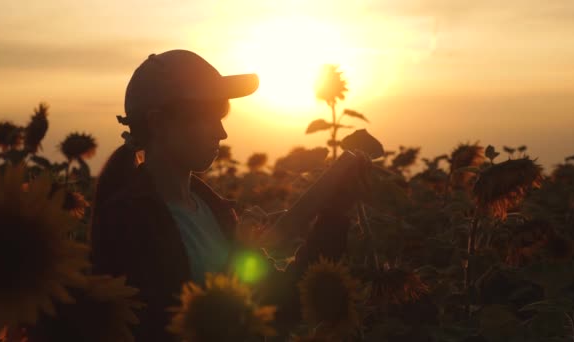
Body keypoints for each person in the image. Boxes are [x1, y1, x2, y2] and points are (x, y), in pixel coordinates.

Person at [90, 49, 368, 341]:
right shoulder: (129, 222)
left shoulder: (215, 212)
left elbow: (281, 303)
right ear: (159, 122)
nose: (221, 133)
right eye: (209, 118)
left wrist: (335, 214)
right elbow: (158, 326)